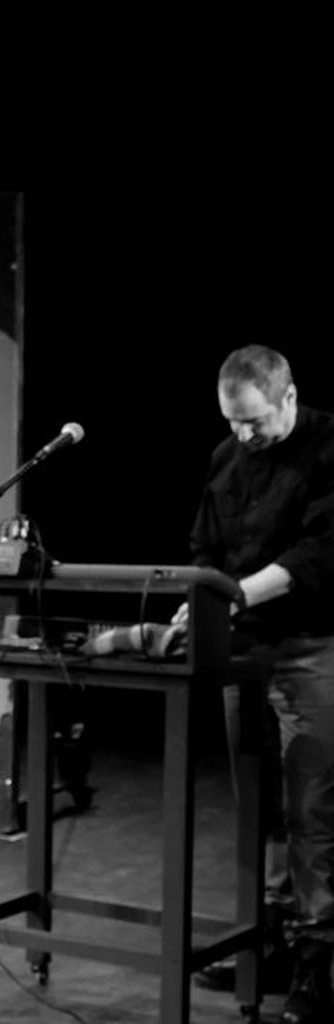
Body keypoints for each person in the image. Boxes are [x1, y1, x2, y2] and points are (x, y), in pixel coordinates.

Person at [184, 344, 334, 1022]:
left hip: (311, 647)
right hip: (243, 651)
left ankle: (315, 963)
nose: (243, 435)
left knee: (313, 809)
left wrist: (237, 594)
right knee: (259, 807)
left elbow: (318, 553)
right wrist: (200, 598)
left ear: (288, 397)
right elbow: (205, 548)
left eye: (254, 421)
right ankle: (265, 941)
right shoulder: (226, 456)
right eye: (232, 422)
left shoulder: (329, 447)